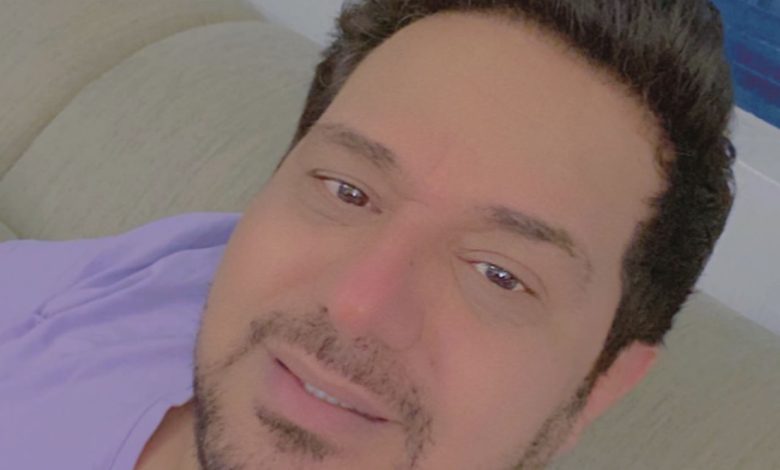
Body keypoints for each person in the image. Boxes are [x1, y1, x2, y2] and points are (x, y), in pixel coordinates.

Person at [0, 1, 736, 469]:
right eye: (348, 191)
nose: (356, 303)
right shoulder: (167, 274)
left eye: (499, 274)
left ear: (600, 387)